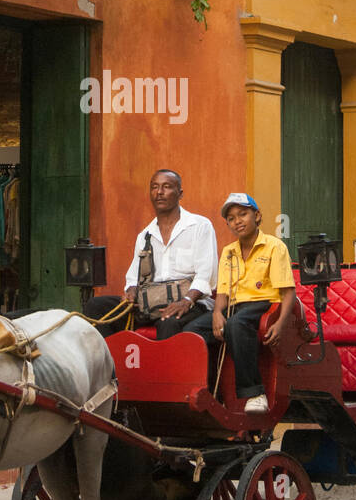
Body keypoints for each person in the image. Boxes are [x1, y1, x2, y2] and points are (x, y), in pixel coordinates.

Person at [188, 192, 296, 412]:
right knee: (193, 331)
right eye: (231, 218)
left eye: (243, 214)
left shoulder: (274, 246)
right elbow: (223, 293)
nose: (237, 221)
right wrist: (217, 313)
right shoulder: (229, 252)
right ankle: (208, 391)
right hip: (234, 308)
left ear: (257, 216)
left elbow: (287, 292)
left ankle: (255, 394)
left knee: (237, 324)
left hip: (263, 305)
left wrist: (281, 323)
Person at [85, 169, 218, 339]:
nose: (159, 192)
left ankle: (166, 366)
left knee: (169, 321)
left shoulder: (199, 226)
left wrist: (186, 301)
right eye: (154, 187)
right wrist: (131, 291)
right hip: (150, 303)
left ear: (180, 193)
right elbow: (133, 278)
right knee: (95, 306)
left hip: (192, 302)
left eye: (167, 187)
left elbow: (206, 275)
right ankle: (112, 363)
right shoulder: (145, 235)